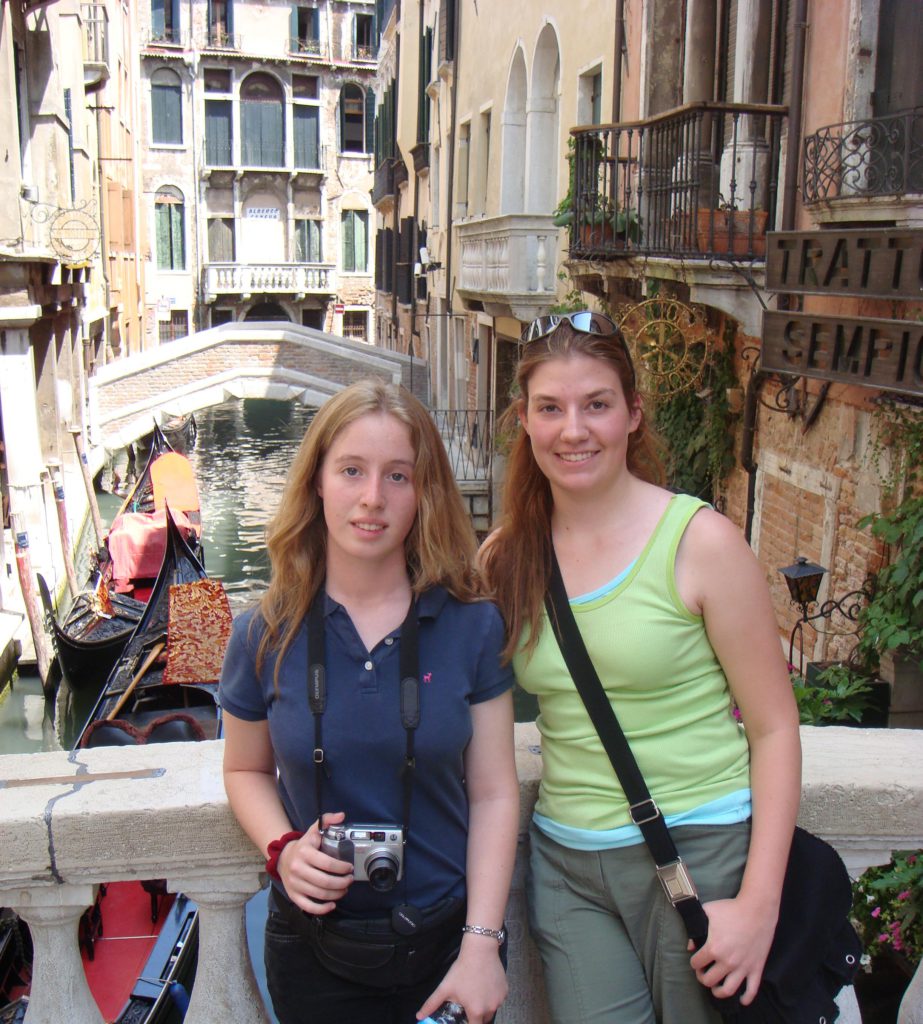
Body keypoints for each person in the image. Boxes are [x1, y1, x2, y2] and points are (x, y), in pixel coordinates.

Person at [479, 312, 802, 1024]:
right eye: (550, 408)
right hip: (567, 869)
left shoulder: (700, 543)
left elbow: (776, 729)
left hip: (699, 852)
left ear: (631, 414)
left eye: (595, 404)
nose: (573, 430)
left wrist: (756, 905)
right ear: (524, 423)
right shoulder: (506, 559)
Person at [220, 380, 519, 1024]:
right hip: (312, 952)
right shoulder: (261, 632)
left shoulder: (473, 625)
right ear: (318, 483)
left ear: (424, 494)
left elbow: (495, 792)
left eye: (398, 476)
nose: (372, 498)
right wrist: (282, 849)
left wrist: (483, 944)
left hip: (449, 946)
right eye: (351, 470)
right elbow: (244, 770)